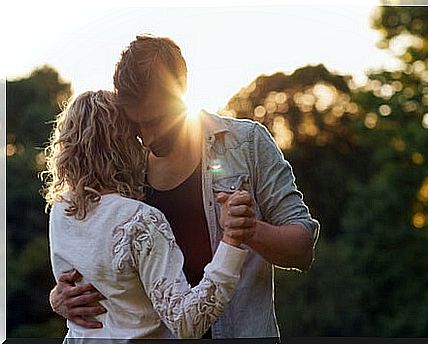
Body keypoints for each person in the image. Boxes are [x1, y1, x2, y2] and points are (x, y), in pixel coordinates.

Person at [49, 34, 320, 340]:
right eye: (137, 124)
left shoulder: (247, 144)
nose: (148, 137)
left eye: (158, 119)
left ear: (182, 88)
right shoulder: (126, 168)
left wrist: (249, 231)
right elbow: (104, 262)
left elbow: (302, 249)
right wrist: (59, 297)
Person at [44, 90, 249, 341]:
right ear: (125, 143)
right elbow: (187, 323)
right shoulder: (140, 220)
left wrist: (55, 299)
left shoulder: (60, 211)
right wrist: (231, 239)